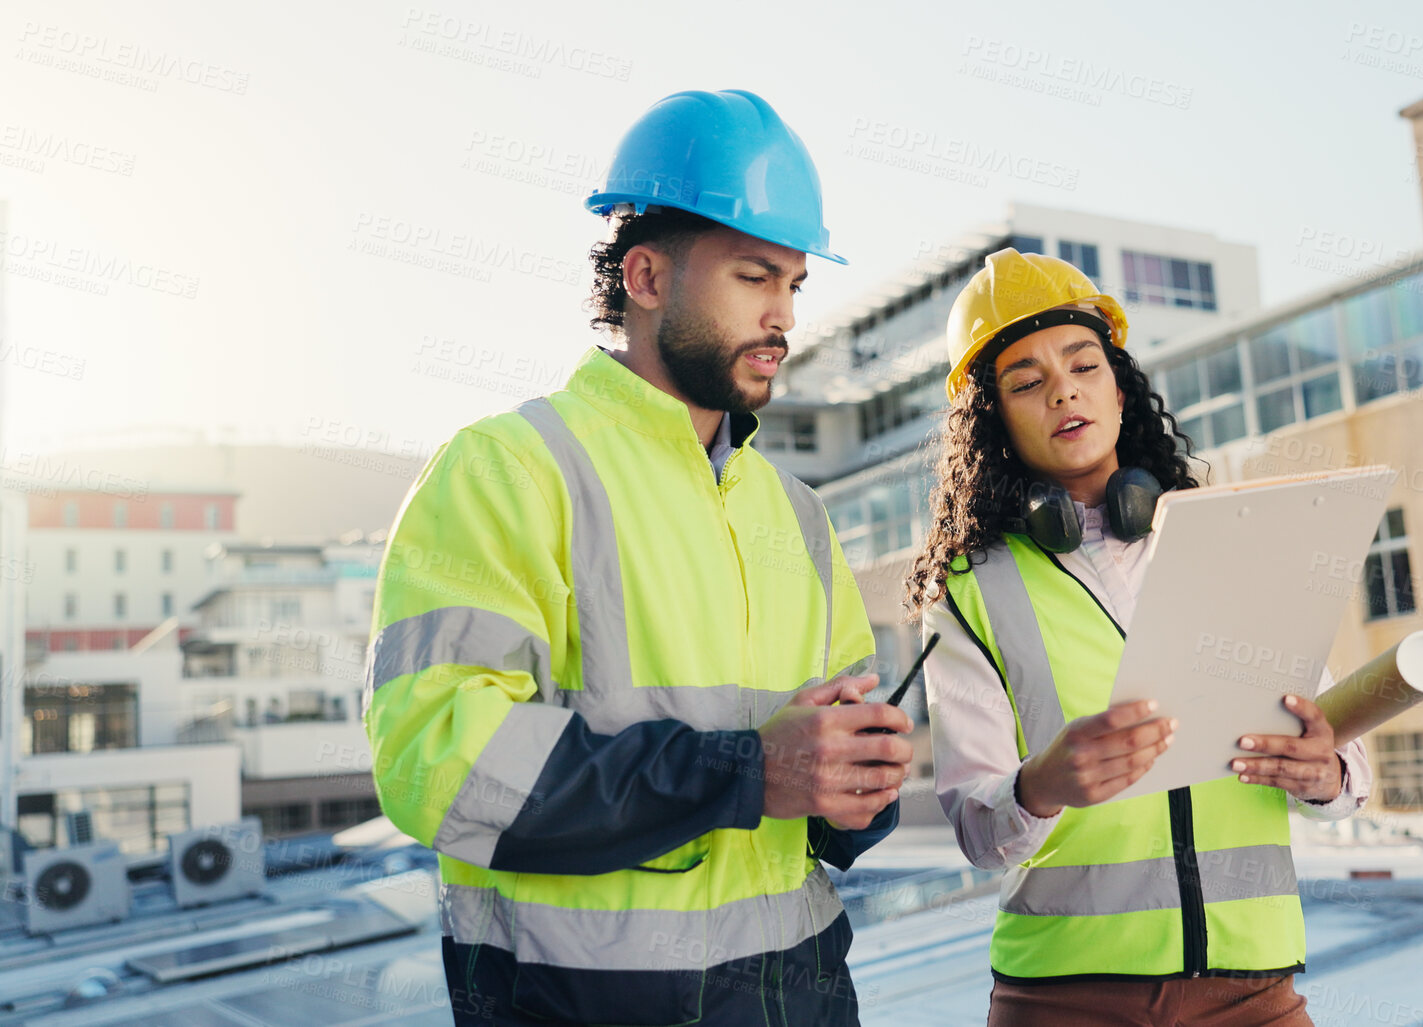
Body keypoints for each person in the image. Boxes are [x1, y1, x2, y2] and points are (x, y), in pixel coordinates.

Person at [363, 89, 913, 1027]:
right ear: (646, 277)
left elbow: (828, 780)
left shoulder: (800, 514)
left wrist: (857, 787)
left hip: (806, 994)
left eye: (792, 284)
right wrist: (747, 771)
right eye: (751, 276)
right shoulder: (509, 468)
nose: (782, 315)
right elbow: (436, 762)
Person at [906, 249, 1372, 1026]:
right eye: (1025, 381)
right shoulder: (968, 589)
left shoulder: (1235, 540)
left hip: (1253, 989)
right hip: (1064, 998)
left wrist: (1322, 768)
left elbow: (1345, 769)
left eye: (1082, 364)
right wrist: (1040, 786)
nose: (1062, 389)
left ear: (1119, 390)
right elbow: (980, 833)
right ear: (993, 422)